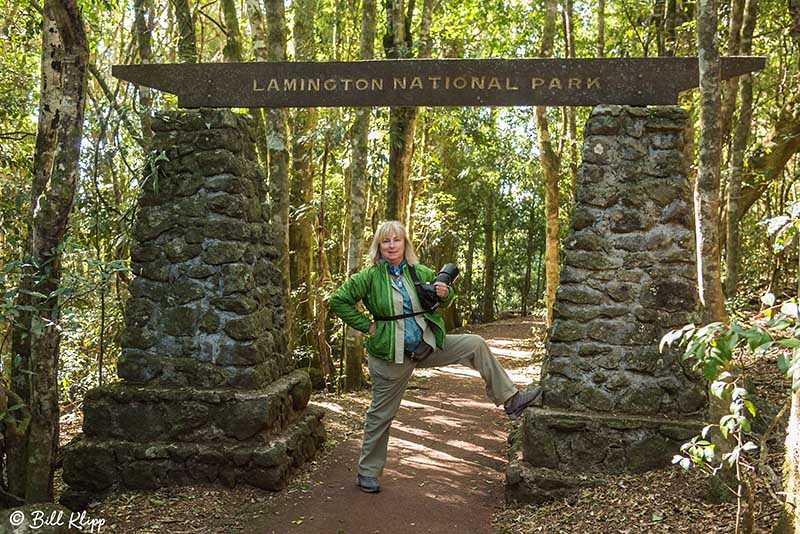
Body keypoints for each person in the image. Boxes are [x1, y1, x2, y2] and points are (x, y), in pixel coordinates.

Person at [330, 220, 542, 494]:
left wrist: (445, 293)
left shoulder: (420, 272)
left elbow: (443, 297)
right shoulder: (369, 277)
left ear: (406, 244)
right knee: (381, 415)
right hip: (390, 355)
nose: (392, 245)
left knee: (475, 343)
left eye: (397, 240)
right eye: (386, 241)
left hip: (426, 345)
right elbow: (338, 301)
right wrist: (369, 327)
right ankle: (367, 473)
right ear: (379, 247)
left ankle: (511, 401)